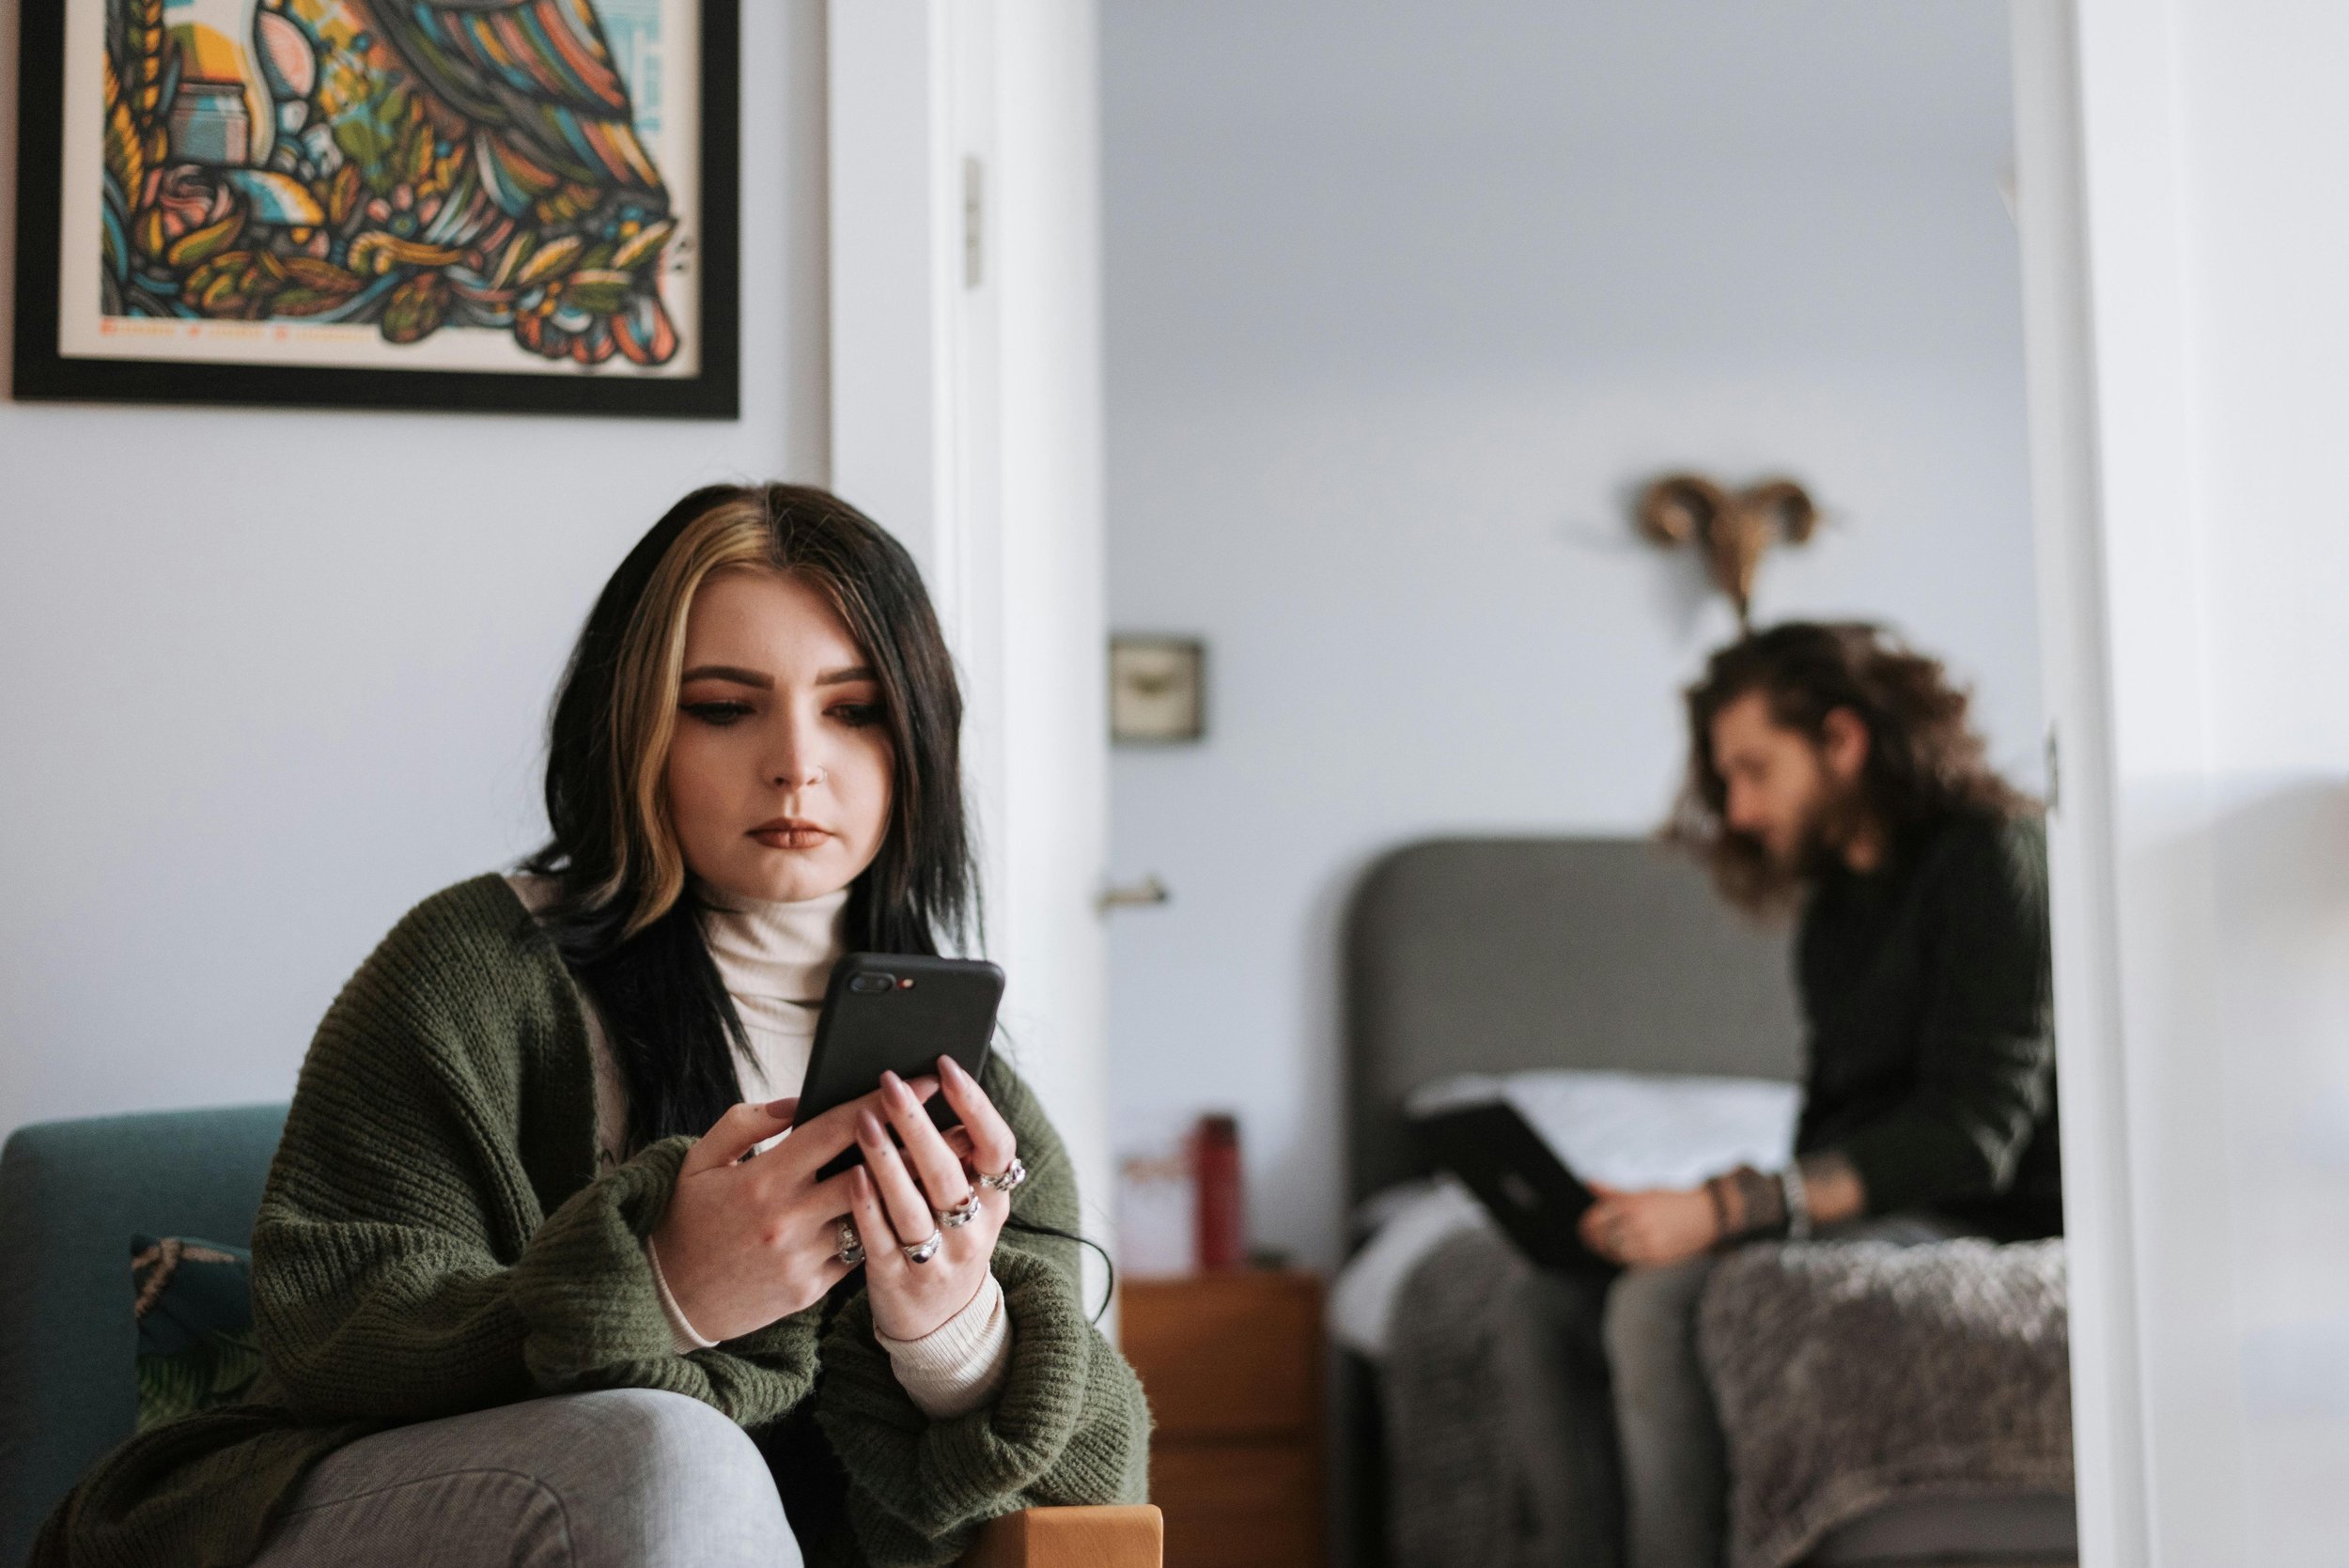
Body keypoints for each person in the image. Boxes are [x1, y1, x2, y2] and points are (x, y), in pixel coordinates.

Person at [35, 484, 1150, 1568]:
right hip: (370, 1510)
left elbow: (1098, 1503)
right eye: (724, 707)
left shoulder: (967, 1088)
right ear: (634, 727)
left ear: (916, 740)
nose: (797, 764)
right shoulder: (476, 965)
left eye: (852, 710)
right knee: (667, 1454)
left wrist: (955, 1340)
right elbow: (329, 1333)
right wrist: (663, 1286)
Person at [1578, 621, 2059, 1568]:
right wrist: (1698, 1217)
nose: (1740, 809)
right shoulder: (1837, 907)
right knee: (1552, 1295)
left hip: (1985, 1212)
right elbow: (1830, 1125)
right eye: (1726, 781)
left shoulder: (1993, 855)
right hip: (1879, 1207)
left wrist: (1727, 1208)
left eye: (1755, 770)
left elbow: (1970, 1136)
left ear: (1842, 739)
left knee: (1656, 1307)